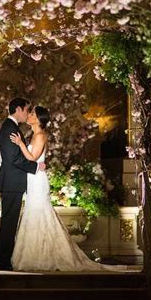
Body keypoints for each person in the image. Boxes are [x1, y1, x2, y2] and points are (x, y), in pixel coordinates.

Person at [10, 105, 134, 272]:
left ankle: (45, 256)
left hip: (38, 181)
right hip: (33, 178)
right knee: (34, 213)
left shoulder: (40, 135)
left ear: (39, 119)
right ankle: (37, 255)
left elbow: (32, 157)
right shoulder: (33, 134)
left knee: (40, 213)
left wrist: (20, 144)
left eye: (32, 114)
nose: (29, 115)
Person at [0, 97, 45, 271]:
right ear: (18, 109)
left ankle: (6, 259)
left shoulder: (12, 127)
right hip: (11, 182)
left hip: (13, 182)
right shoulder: (10, 128)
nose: (27, 113)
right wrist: (35, 166)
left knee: (10, 221)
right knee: (9, 222)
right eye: (26, 109)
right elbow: (14, 158)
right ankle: (4, 260)